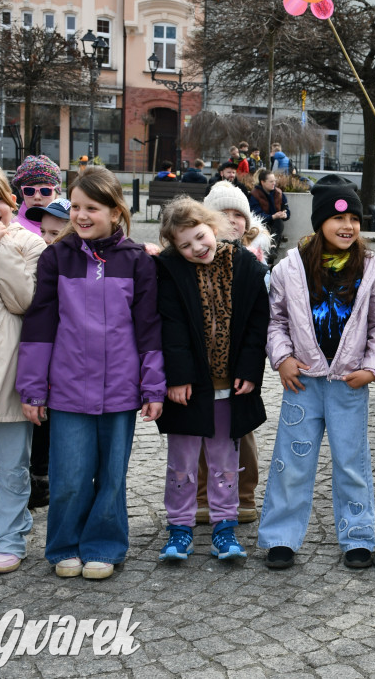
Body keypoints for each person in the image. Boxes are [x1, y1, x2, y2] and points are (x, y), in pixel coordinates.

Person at [17, 167, 165, 580]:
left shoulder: (136, 260)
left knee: (112, 476)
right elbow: (40, 325)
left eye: (92, 208)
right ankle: (65, 545)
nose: (81, 216)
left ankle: (104, 545)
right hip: (67, 389)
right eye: (76, 207)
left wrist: (153, 386)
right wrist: (33, 388)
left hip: (120, 389)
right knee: (69, 477)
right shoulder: (56, 257)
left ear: (116, 212)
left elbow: (149, 327)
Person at [257, 175, 375, 570]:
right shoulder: (290, 268)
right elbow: (275, 321)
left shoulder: (374, 268)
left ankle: (358, 536)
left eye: (354, 219)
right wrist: (282, 358)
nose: (347, 226)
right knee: (292, 461)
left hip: (350, 382)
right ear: (319, 222)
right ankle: (281, 537)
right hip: (303, 382)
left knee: (352, 462)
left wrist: (372, 368)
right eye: (337, 218)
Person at [154, 197, 268, 562]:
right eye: (185, 245)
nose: (197, 248)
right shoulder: (171, 271)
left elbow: (256, 324)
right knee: (182, 462)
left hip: (229, 386)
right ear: (175, 248)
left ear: (213, 227)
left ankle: (224, 526)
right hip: (189, 387)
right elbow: (171, 327)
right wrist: (177, 377)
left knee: (224, 460)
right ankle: (179, 527)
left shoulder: (245, 266)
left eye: (200, 237)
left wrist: (249, 370)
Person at [0, 161, 46, 574]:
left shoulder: (30, 243)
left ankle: (9, 537)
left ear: (10, 200)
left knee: (13, 469)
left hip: (10, 379)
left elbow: (24, 301)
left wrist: (2, 247)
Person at [16, 197, 69, 509]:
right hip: (43, 360)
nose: (46, 240)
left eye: (55, 234)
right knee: (41, 423)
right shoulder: (38, 261)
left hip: (67, 362)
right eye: (44, 232)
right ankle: (39, 477)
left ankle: (51, 477)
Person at [11, 154, 62, 237]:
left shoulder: (70, 227)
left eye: (45, 191)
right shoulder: (12, 228)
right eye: (29, 191)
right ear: (22, 193)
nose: (37, 197)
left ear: (56, 194)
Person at [249, 169, 290, 265]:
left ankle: (272, 251)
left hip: (276, 225)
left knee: (278, 223)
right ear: (262, 182)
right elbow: (256, 215)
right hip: (261, 225)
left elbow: (287, 210)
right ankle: (272, 250)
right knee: (269, 228)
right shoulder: (254, 194)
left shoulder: (279, 193)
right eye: (271, 181)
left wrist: (285, 214)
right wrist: (272, 217)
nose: (274, 183)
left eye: (274, 181)